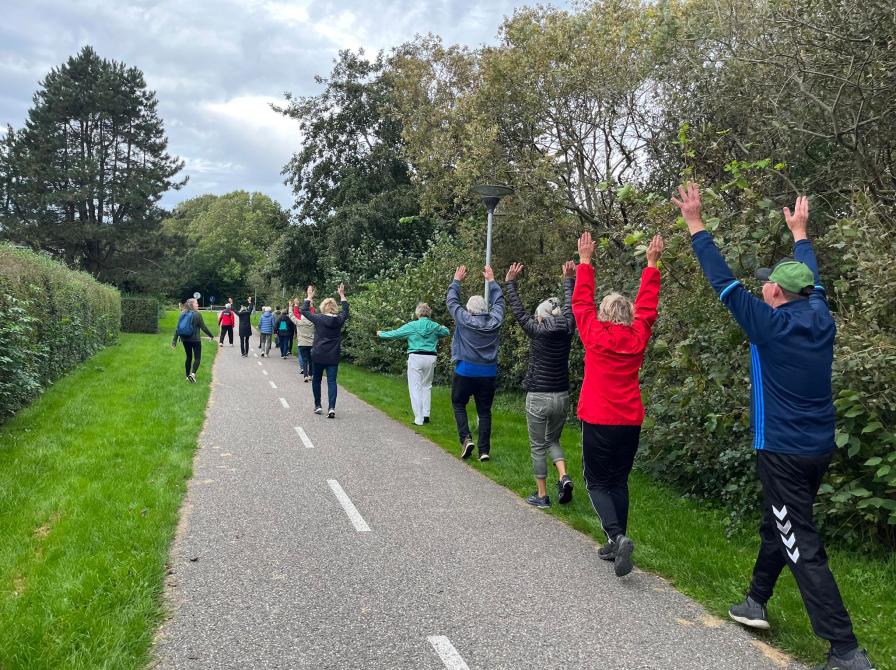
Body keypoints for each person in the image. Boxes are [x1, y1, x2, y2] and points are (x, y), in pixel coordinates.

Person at [673, 183, 874, 670]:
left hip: (783, 452)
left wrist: (696, 224)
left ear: (776, 293)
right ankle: (755, 601)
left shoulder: (769, 325)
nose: (761, 285)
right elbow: (813, 277)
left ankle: (845, 649)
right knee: (779, 523)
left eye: (766, 283)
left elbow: (721, 280)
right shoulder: (819, 315)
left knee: (800, 542)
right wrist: (800, 234)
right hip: (817, 447)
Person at [573, 231, 663, 578]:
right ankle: (616, 544)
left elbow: (581, 304)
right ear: (629, 316)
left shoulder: (594, 334)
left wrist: (585, 261)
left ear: (604, 315)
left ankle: (616, 536)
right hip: (629, 420)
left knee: (596, 481)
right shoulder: (638, 336)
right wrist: (651, 264)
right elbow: (648, 308)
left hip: (598, 417)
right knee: (618, 481)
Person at [505, 260, 577, 508]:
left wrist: (510, 283)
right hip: (561, 395)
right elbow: (570, 305)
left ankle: (542, 495)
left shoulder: (536, 330)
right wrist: (568, 280)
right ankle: (563, 476)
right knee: (553, 440)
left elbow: (518, 310)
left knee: (538, 446)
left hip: (538, 396)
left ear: (541, 316)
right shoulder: (568, 327)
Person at [446, 265, 505, 462]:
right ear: (485, 309)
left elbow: (452, 302)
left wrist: (456, 281)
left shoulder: (464, 319)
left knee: (458, 403)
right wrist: (492, 281)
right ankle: (484, 451)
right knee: (484, 411)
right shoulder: (495, 321)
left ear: (469, 310)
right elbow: (499, 302)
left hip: (465, 370)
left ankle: (466, 439)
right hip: (488, 373)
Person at [377, 303, 450, 426]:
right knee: (427, 386)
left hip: (416, 357)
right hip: (430, 357)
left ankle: (418, 419)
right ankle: (426, 414)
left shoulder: (412, 325)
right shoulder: (435, 326)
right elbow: (446, 332)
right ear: (429, 313)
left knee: (415, 387)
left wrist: (381, 333)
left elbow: (395, 333)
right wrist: (442, 326)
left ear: (417, 313)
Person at [300, 284, 349, 418]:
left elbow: (304, 310)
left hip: (318, 354)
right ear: (334, 308)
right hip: (333, 355)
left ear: (323, 307)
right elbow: (346, 310)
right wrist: (342, 295)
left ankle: (318, 405)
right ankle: (331, 408)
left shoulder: (318, 318)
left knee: (316, 380)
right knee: (332, 381)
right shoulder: (339, 320)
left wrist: (309, 296)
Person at [171, 298, 217, 382]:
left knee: (188, 357)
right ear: (192, 305)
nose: (198, 305)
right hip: (195, 340)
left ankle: (187, 375)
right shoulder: (197, 314)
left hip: (185, 339)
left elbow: (178, 328)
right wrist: (211, 335)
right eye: (196, 303)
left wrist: (174, 341)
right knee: (197, 358)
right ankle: (192, 374)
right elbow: (203, 327)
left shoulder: (182, 313)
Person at [289, 297, 315, 382]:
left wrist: (291, 306)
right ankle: (311, 375)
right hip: (311, 343)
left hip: (302, 343)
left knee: (304, 360)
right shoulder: (312, 322)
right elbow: (313, 314)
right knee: (311, 360)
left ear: (301, 317)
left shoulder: (299, 322)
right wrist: (311, 305)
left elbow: (291, 316)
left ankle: (305, 376)